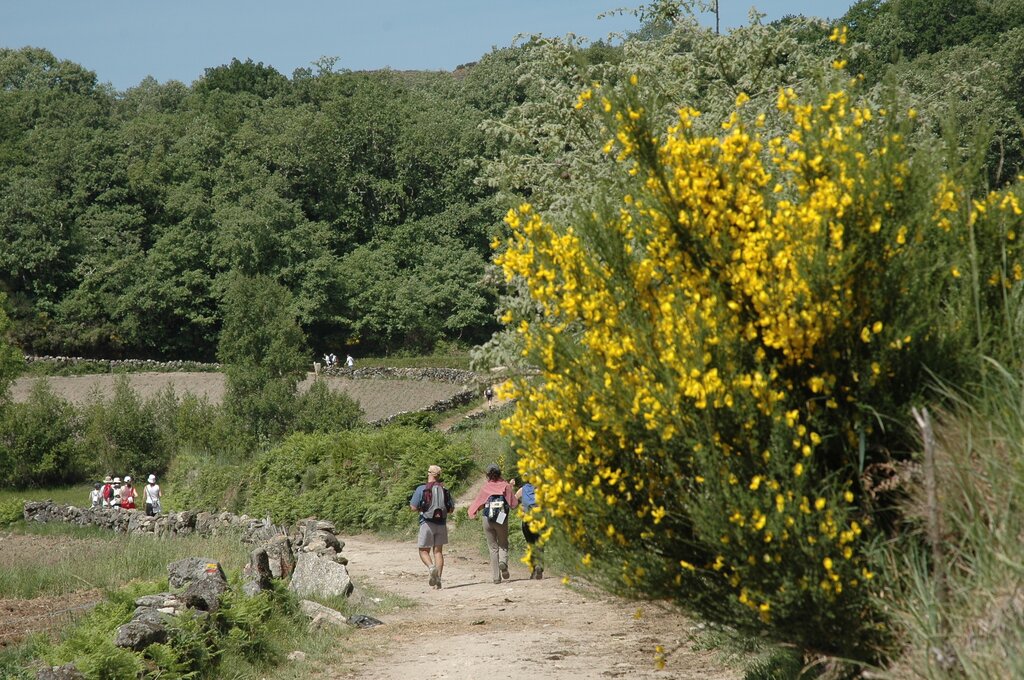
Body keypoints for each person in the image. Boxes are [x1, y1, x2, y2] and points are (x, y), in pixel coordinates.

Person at [468, 464, 519, 584]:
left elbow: (477, 504)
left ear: (487, 475)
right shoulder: (505, 486)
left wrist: (472, 513)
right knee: (503, 544)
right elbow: (514, 504)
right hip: (501, 518)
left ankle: (496, 577)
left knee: (493, 548)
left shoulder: (485, 487)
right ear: (500, 473)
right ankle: (503, 562)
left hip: (487, 518)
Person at [409, 465, 455, 590]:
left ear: (429, 473)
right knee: (438, 552)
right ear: (439, 475)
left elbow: (413, 507)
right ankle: (438, 580)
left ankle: (431, 567)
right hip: (441, 524)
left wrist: (421, 509)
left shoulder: (422, 489)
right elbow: (451, 509)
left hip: (427, 523)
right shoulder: (444, 489)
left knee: (423, 551)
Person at [516, 477, 543, 579]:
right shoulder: (541, 489)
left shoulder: (523, 489)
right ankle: (539, 566)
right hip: (539, 519)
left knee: (530, 545)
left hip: (527, 520)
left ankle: (532, 571)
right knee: (539, 544)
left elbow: (514, 500)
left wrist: (522, 505)